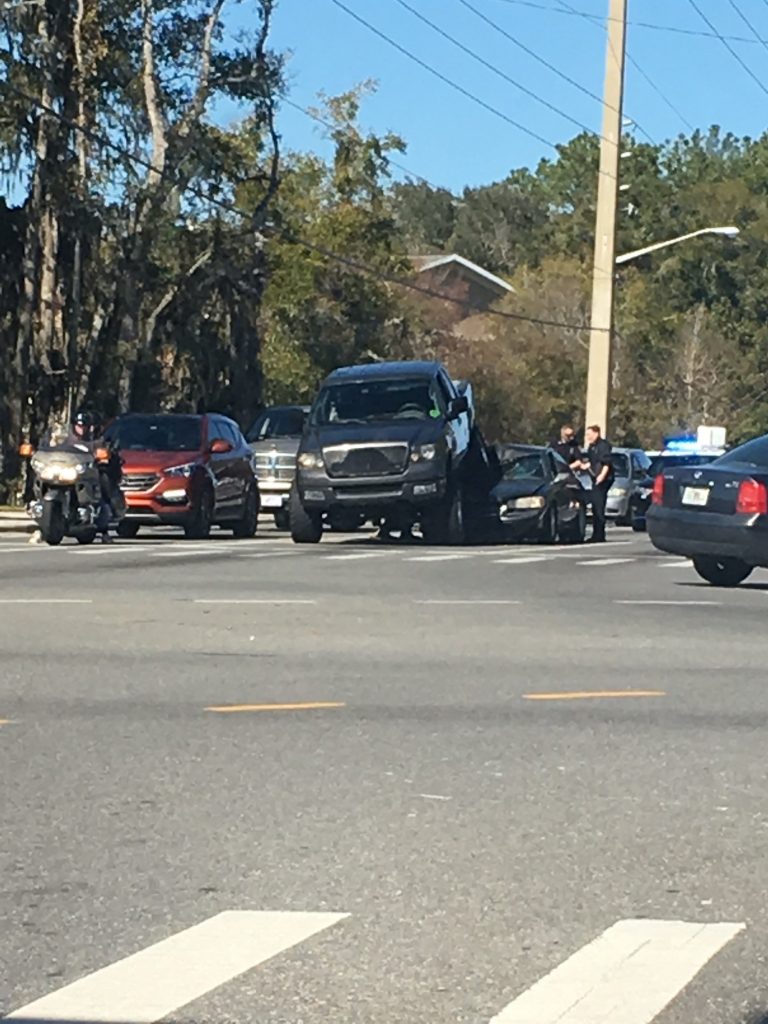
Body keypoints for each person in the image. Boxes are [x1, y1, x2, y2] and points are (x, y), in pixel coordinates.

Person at [581, 424, 614, 543]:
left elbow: (606, 464)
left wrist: (601, 476)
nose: (588, 437)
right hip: (595, 479)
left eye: (589, 434)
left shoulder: (603, 446)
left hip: (603, 480)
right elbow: (593, 462)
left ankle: (599, 535)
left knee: (599, 506)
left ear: (597, 433)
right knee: (595, 506)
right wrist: (585, 466)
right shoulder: (591, 447)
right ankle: (597, 533)